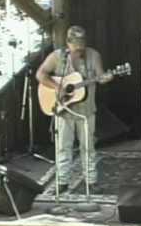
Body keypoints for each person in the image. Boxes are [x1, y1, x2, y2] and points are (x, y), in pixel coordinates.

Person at [36, 25, 113, 194]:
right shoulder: (57, 57)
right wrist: (58, 87)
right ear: (68, 43)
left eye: (81, 45)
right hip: (64, 110)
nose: (79, 49)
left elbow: (100, 76)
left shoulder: (94, 55)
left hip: (86, 110)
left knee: (88, 146)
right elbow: (40, 74)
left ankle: (91, 181)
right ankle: (63, 181)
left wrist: (105, 78)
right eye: (75, 45)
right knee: (63, 146)